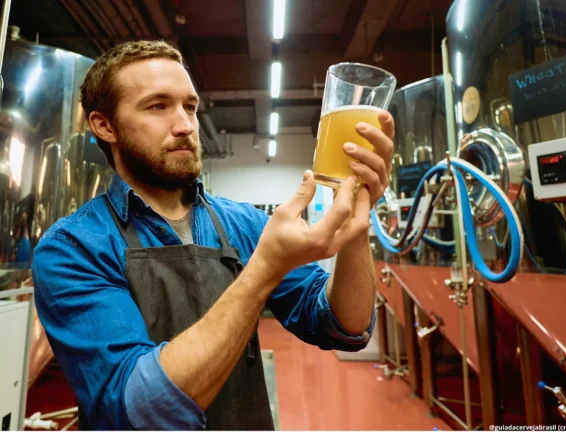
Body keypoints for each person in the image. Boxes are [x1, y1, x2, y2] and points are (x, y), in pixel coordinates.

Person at [32, 40, 395, 430]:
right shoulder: (73, 247)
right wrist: (264, 269)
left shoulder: (242, 223)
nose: (186, 125)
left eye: (190, 107)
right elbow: (139, 410)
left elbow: (345, 326)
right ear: (105, 125)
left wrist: (358, 218)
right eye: (158, 106)